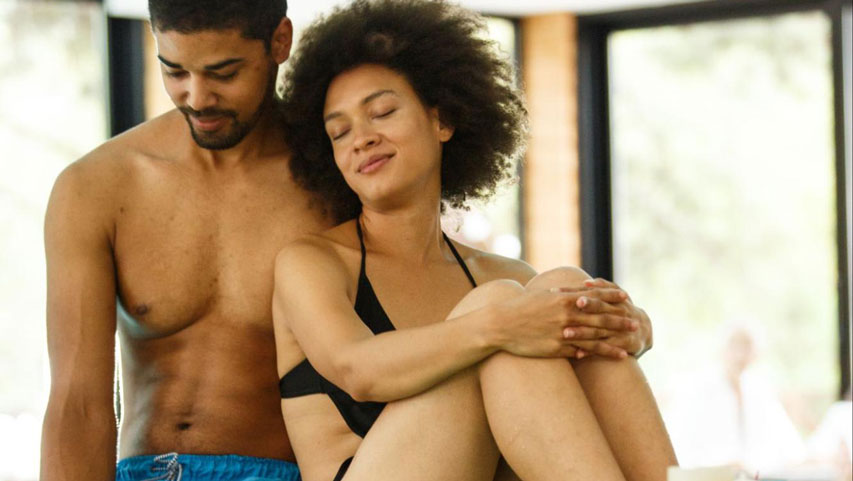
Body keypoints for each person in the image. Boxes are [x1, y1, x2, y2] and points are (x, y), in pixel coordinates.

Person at [40, 0, 656, 480]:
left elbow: (437, 284)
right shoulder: (97, 188)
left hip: (293, 468)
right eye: (173, 71)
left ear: (278, 43)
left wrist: (631, 324)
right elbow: (79, 406)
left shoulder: (332, 182)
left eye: (223, 72)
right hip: (154, 469)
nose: (197, 97)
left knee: (555, 293)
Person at [273, 1, 678, 480]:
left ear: (442, 121)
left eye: (381, 112)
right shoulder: (312, 262)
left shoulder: (505, 277)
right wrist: (498, 323)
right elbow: (358, 372)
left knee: (566, 287)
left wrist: (633, 326)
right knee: (505, 307)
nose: (360, 138)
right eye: (339, 133)